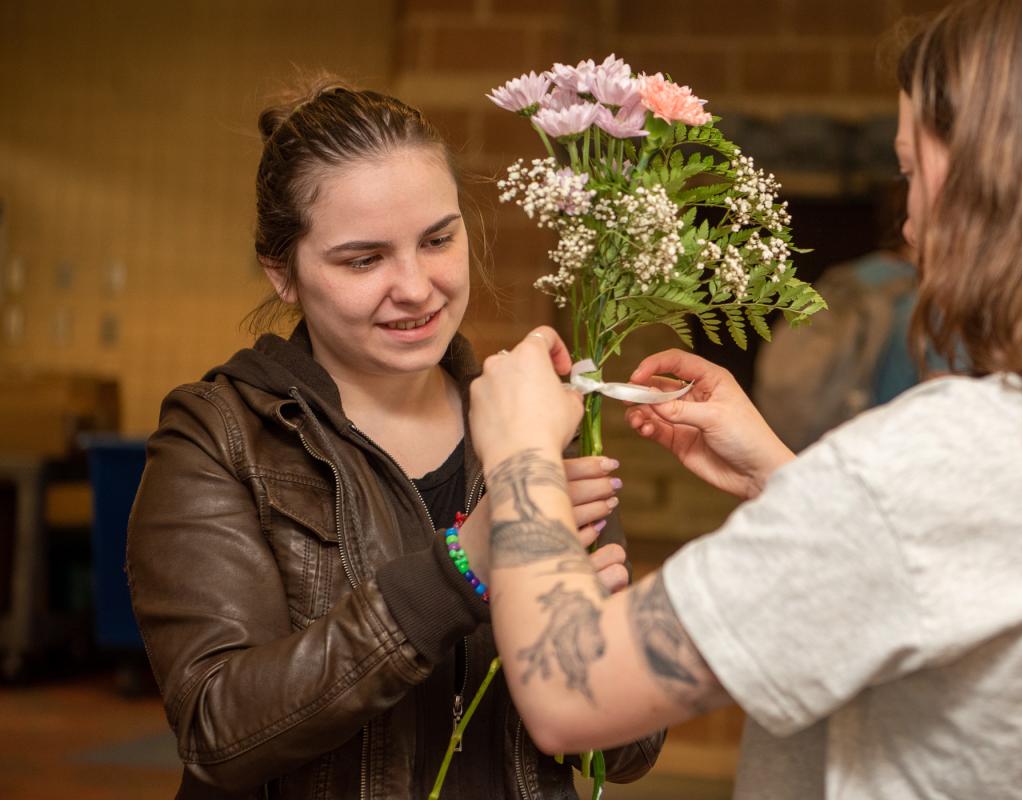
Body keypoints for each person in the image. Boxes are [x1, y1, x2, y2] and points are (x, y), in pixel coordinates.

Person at [459, 1, 1022, 797]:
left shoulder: (938, 460)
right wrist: (792, 481)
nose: (907, 223)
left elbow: (573, 694)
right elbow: (958, 561)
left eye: (912, 172)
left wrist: (522, 455)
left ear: (1002, 184)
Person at [125, 83, 663, 798]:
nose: (416, 287)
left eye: (438, 240)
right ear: (281, 272)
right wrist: (461, 572)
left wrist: (589, 644)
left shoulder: (532, 418)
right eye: (363, 260)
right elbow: (219, 732)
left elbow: (628, 755)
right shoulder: (218, 436)